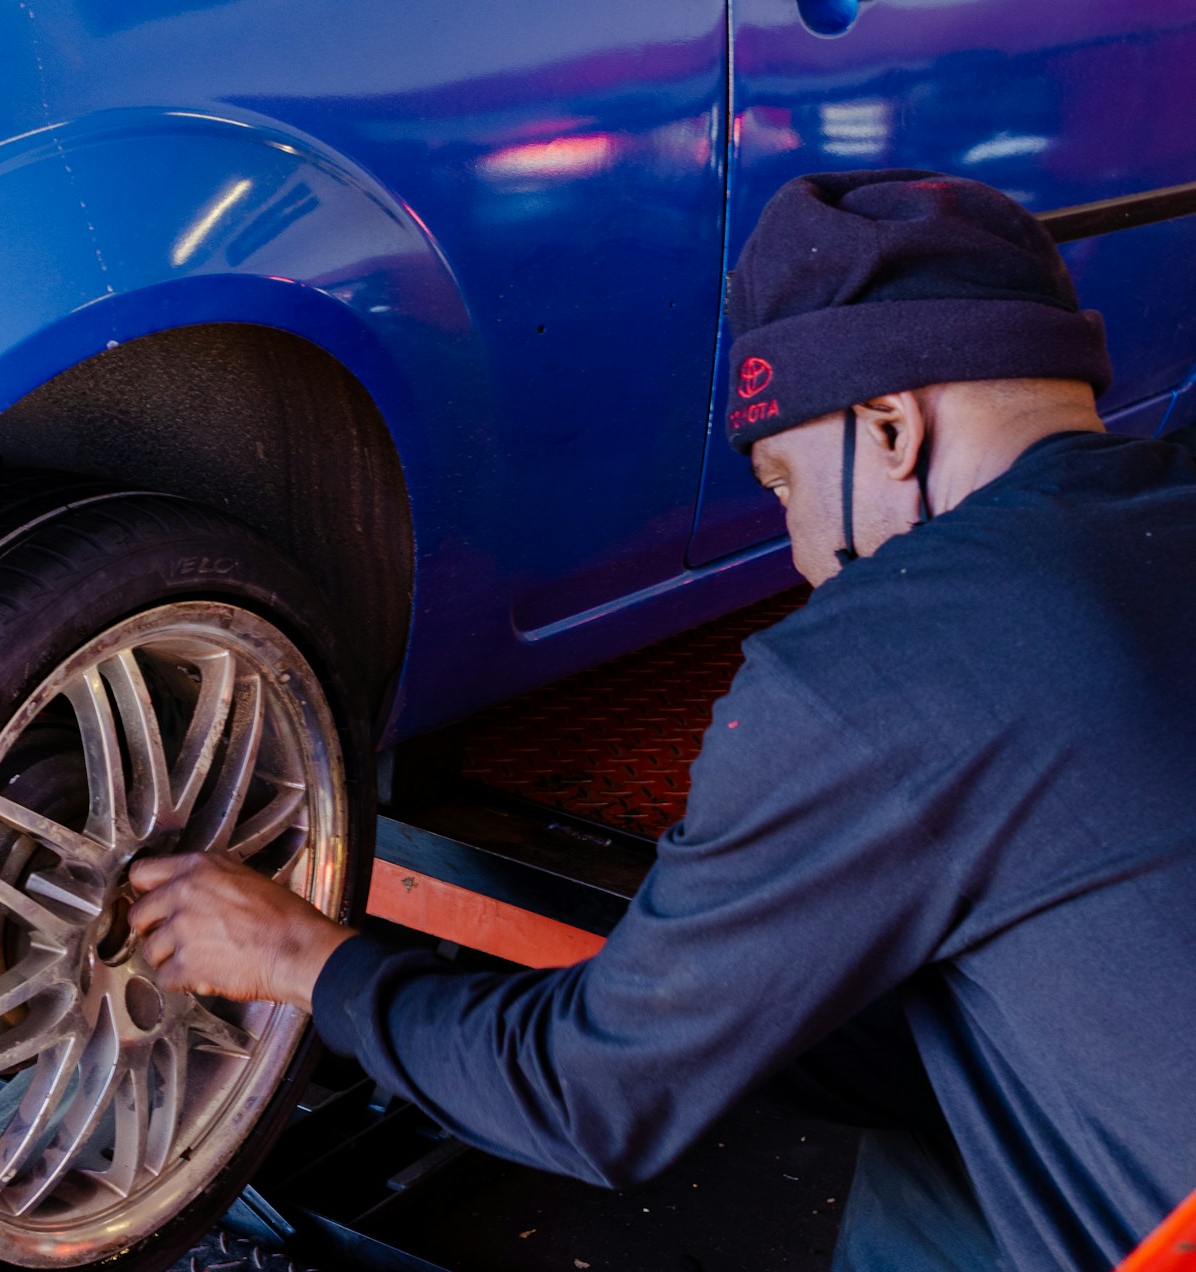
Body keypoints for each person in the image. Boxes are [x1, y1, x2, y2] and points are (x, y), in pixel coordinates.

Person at [128, 170, 1196, 1271]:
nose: (801, 556)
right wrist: (678, 988)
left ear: (888, 428)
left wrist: (305, 960)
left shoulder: (896, 654)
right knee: (926, 1093)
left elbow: (593, 1105)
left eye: (782, 485)